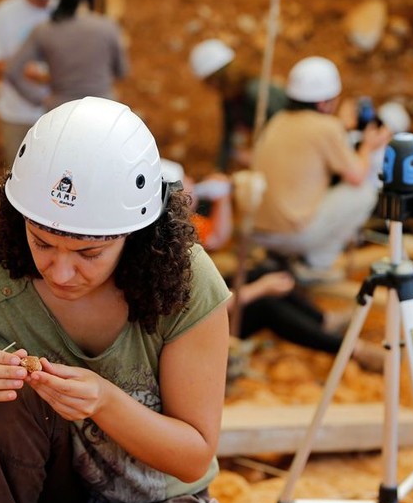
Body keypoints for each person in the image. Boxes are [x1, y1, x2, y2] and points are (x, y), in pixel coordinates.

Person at [0, 97, 231, 503]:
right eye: (42, 243)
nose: (60, 272)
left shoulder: (185, 279)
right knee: (0, 403)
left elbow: (194, 458)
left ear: (136, 237)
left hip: (160, 499)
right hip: (44, 494)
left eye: (88, 254)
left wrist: (104, 401)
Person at [162, 160, 384, 373]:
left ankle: (322, 321)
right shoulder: (167, 249)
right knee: (267, 306)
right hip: (192, 323)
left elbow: (218, 237)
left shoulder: (178, 227)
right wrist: (260, 288)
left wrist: (223, 199)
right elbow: (199, 307)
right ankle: (351, 349)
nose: (192, 181)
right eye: (185, 180)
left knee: (266, 270)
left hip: (203, 301)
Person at [249, 56, 391, 283]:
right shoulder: (326, 127)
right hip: (292, 235)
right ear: (325, 102)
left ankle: (277, 258)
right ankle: (315, 265)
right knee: (363, 192)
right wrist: (368, 146)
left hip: (257, 232)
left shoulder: (277, 121)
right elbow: (356, 175)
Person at [5, 0, 129, 112]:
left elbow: (12, 70)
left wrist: (41, 99)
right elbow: (122, 71)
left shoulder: (44, 30)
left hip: (59, 110)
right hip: (103, 110)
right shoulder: (108, 28)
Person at [0, 0, 60, 167]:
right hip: (15, 112)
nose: (43, 2)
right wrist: (25, 72)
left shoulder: (60, 12)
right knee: (16, 170)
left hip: (55, 113)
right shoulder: (4, 14)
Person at [189, 38, 288, 172]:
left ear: (218, 79)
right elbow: (227, 139)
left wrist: (262, 156)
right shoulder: (231, 100)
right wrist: (219, 171)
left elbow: (285, 128)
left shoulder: (255, 92)